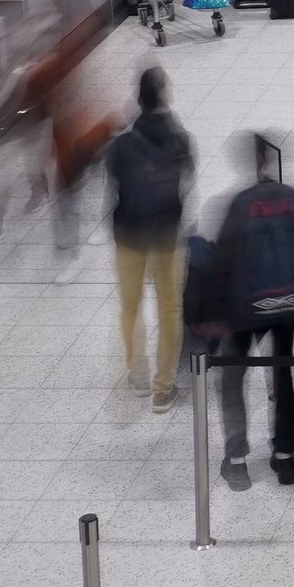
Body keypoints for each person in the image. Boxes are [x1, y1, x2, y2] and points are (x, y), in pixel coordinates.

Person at [198, 148, 294, 489]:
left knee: (233, 378)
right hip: (285, 303)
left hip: (244, 307)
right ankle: (285, 459)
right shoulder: (292, 199)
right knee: (281, 376)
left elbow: (221, 259)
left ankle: (237, 461)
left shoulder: (240, 203)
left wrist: (216, 311)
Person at [105, 68, 195, 413]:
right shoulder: (179, 138)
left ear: (139, 99)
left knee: (131, 306)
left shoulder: (123, 142)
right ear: (165, 97)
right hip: (168, 238)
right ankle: (163, 388)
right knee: (170, 309)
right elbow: (186, 181)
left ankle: (138, 375)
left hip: (128, 237)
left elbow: (113, 186)